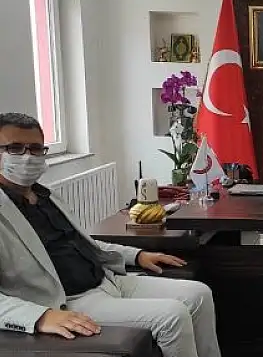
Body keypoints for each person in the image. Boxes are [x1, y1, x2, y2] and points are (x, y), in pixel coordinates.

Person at [0, 113, 220, 357]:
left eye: (35, 149)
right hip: (67, 300)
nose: (27, 157)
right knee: (172, 316)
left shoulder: (46, 196)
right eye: (15, 148)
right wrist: (39, 317)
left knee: (199, 294)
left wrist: (137, 255)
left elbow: (84, 244)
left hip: (106, 279)